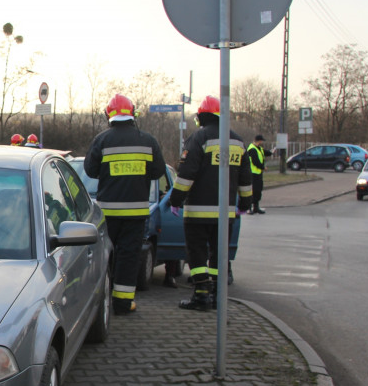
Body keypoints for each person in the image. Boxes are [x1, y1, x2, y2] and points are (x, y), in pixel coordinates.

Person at [168, 96, 253, 311]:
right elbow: (245, 179)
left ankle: (201, 296)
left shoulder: (198, 139)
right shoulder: (238, 141)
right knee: (219, 254)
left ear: (202, 116)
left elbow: (186, 175)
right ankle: (216, 295)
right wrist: (245, 203)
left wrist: (175, 200)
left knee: (197, 253)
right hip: (226, 214)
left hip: (198, 212)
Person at [84, 94, 166, 314]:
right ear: (133, 113)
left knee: (105, 255)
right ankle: (122, 303)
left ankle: (102, 301)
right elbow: (159, 171)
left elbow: (90, 170)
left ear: (108, 114)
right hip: (136, 213)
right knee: (129, 256)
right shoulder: (148, 141)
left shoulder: (101, 140)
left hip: (107, 212)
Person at [246, 134, 267, 214]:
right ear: (258, 141)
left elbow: (264, 153)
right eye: (261, 140)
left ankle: (256, 207)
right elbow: (255, 162)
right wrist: (263, 167)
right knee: (252, 191)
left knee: (258, 190)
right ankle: (249, 208)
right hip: (252, 173)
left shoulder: (258, 148)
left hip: (258, 173)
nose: (262, 142)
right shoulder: (252, 149)